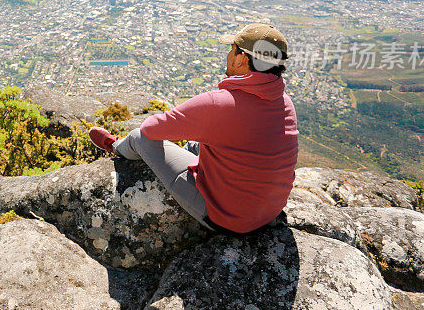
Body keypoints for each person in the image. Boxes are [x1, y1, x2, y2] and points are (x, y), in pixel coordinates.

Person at [89, 23, 299, 235]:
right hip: (270, 212)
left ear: (241, 58)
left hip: (229, 219)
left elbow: (151, 129)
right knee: (195, 145)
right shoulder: (285, 102)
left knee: (139, 137)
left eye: (231, 49)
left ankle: (115, 146)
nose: (228, 55)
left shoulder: (219, 104)